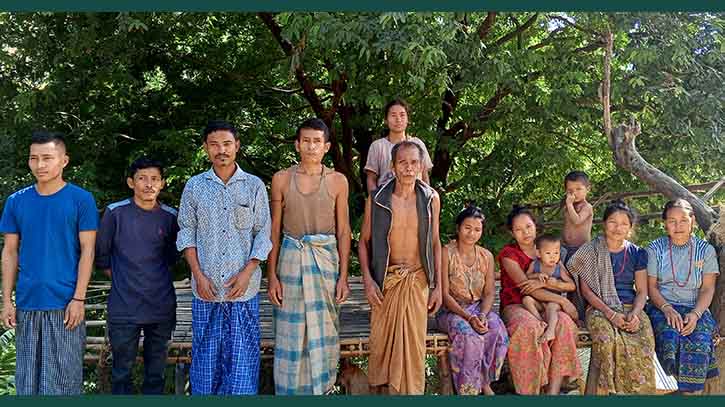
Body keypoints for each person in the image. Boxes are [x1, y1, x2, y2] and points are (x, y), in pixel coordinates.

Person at [176, 120, 272, 395]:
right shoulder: (195, 187)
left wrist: (247, 273)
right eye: (215, 145)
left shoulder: (253, 186)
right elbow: (186, 232)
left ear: (237, 146)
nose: (221, 150)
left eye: (227, 144)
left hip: (242, 291)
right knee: (206, 362)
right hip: (206, 291)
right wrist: (198, 274)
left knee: (243, 361)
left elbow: (263, 234)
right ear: (206, 148)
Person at [0, 131, 98, 395]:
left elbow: (88, 251)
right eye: (34, 158)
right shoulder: (16, 201)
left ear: (64, 161)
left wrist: (79, 299)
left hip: (66, 305)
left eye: (47, 158)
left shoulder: (81, 199)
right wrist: (7, 301)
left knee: (64, 383)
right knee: (27, 384)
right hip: (27, 302)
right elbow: (10, 252)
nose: (40, 165)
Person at [267, 118, 352, 394]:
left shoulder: (338, 181)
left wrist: (343, 278)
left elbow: (343, 231)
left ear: (326, 146)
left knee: (324, 333)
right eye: (306, 140)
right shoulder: (281, 179)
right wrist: (271, 277)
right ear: (296, 144)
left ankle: (323, 390)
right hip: (290, 261)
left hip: (326, 264)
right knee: (290, 335)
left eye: (317, 141)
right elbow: (275, 230)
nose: (311, 146)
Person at [359, 140, 443, 394]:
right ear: (393, 166)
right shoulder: (377, 200)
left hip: (417, 283)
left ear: (420, 166)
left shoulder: (431, 199)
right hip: (386, 283)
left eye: (414, 162)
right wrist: (367, 280)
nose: (408, 168)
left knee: (413, 350)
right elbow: (363, 242)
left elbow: (436, 243)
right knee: (382, 349)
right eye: (402, 162)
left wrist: (437, 286)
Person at [95, 157, 179, 394]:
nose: (148, 184)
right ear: (131, 182)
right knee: (121, 373)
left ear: (162, 183)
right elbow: (102, 255)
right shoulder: (115, 213)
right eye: (142, 178)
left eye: (155, 179)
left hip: (161, 306)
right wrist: (125, 278)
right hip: (124, 307)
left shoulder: (171, 216)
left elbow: (174, 257)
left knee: (156, 375)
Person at [569, 200, 655, 394]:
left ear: (630, 228)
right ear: (604, 224)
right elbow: (587, 291)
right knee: (607, 339)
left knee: (644, 339)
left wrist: (634, 314)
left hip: (630, 306)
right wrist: (610, 314)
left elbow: (642, 291)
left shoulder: (637, 253)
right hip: (600, 308)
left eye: (624, 223)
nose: (618, 228)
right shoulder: (590, 251)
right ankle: (608, 392)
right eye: (612, 222)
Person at [497, 206, 581, 395]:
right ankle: (529, 391)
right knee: (528, 327)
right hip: (518, 305)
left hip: (548, 306)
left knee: (565, 323)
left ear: (535, 226)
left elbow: (567, 282)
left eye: (528, 226)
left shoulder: (549, 250)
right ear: (512, 232)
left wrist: (556, 289)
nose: (525, 232)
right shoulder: (509, 255)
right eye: (518, 229)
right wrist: (564, 302)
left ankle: (553, 391)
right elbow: (527, 288)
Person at [645, 199, 719, 394]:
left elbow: (708, 289)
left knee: (699, 338)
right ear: (664, 224)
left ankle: (691, 392)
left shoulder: (706, 251)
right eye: (672, 221)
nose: (678, 226)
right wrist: (667, 308)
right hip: (661, 306)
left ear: (692, 221)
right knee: (669, 335)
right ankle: (668, 385)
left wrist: (695, 315)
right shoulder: (654, 249)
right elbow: (651, 287)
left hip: (697, 308)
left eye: (683, 220)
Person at [435, 205, 508, 395]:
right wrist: (469, 318)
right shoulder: (446, 252)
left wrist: (482, 315)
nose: (472, 233)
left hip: (477, 308)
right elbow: (444, 294)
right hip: (451, 310)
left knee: (497, 328)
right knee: (470, 335)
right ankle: (469, 390)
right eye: (467, 228)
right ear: (458, 228)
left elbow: (490, 292)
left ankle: (484, 381)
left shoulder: (487, 256)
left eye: (477, 229)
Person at [363, 99, 434, 193]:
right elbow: (371, 178)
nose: (398, 119)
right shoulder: (378, 146)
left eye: (402, 115)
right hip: (385, 200)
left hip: (416, 199)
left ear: (408, 119)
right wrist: (375, 202)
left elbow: (424, 175)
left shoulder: (418, 144)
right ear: (386, 120)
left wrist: (426, 198)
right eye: (393, 115)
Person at [521, 234, 577, 343]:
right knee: (526, 300)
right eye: (548, 253)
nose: (553, 257)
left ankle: (550, 331)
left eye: (556, 253)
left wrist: (556, 283)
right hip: (538, 301)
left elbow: (572, 285)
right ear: (538, 253)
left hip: (553, 301)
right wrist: (537, 275)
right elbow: (526, 276)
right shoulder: (535, 264)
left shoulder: (559, 268)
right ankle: (540, 321)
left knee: (551, 307)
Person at [561, 171, 593, 265]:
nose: (574, 193)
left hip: (581, 249)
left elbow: (577, 221)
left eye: (578, 189)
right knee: (566, 272)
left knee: (580, 275)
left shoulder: (587, 207)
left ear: (588, 189)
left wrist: (569, 204)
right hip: (566, 247)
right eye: (570, 191)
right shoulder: (568, 206)